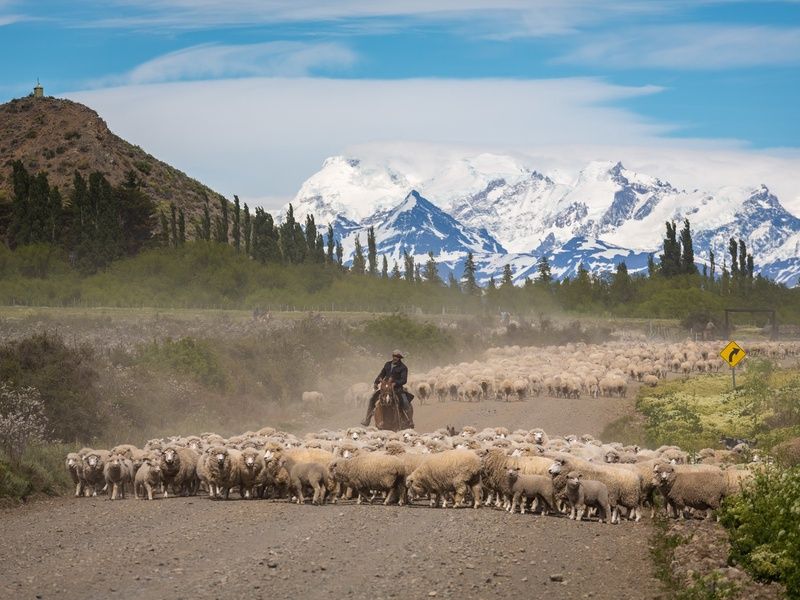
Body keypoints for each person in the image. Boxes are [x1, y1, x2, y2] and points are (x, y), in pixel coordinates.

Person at [360, 350, 413, 427]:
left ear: (400, 358)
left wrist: (395, 383)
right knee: (372, 399)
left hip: (397, 389)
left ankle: (409, 421)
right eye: (394, 356)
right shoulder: (387, 364)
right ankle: (367, 419)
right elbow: (382, 374)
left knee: (405, 402)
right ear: (392, 356)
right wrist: (376, 382)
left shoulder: (403, 367)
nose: (395, 358)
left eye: (397, 357)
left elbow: (404, 380)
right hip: (385, 388)